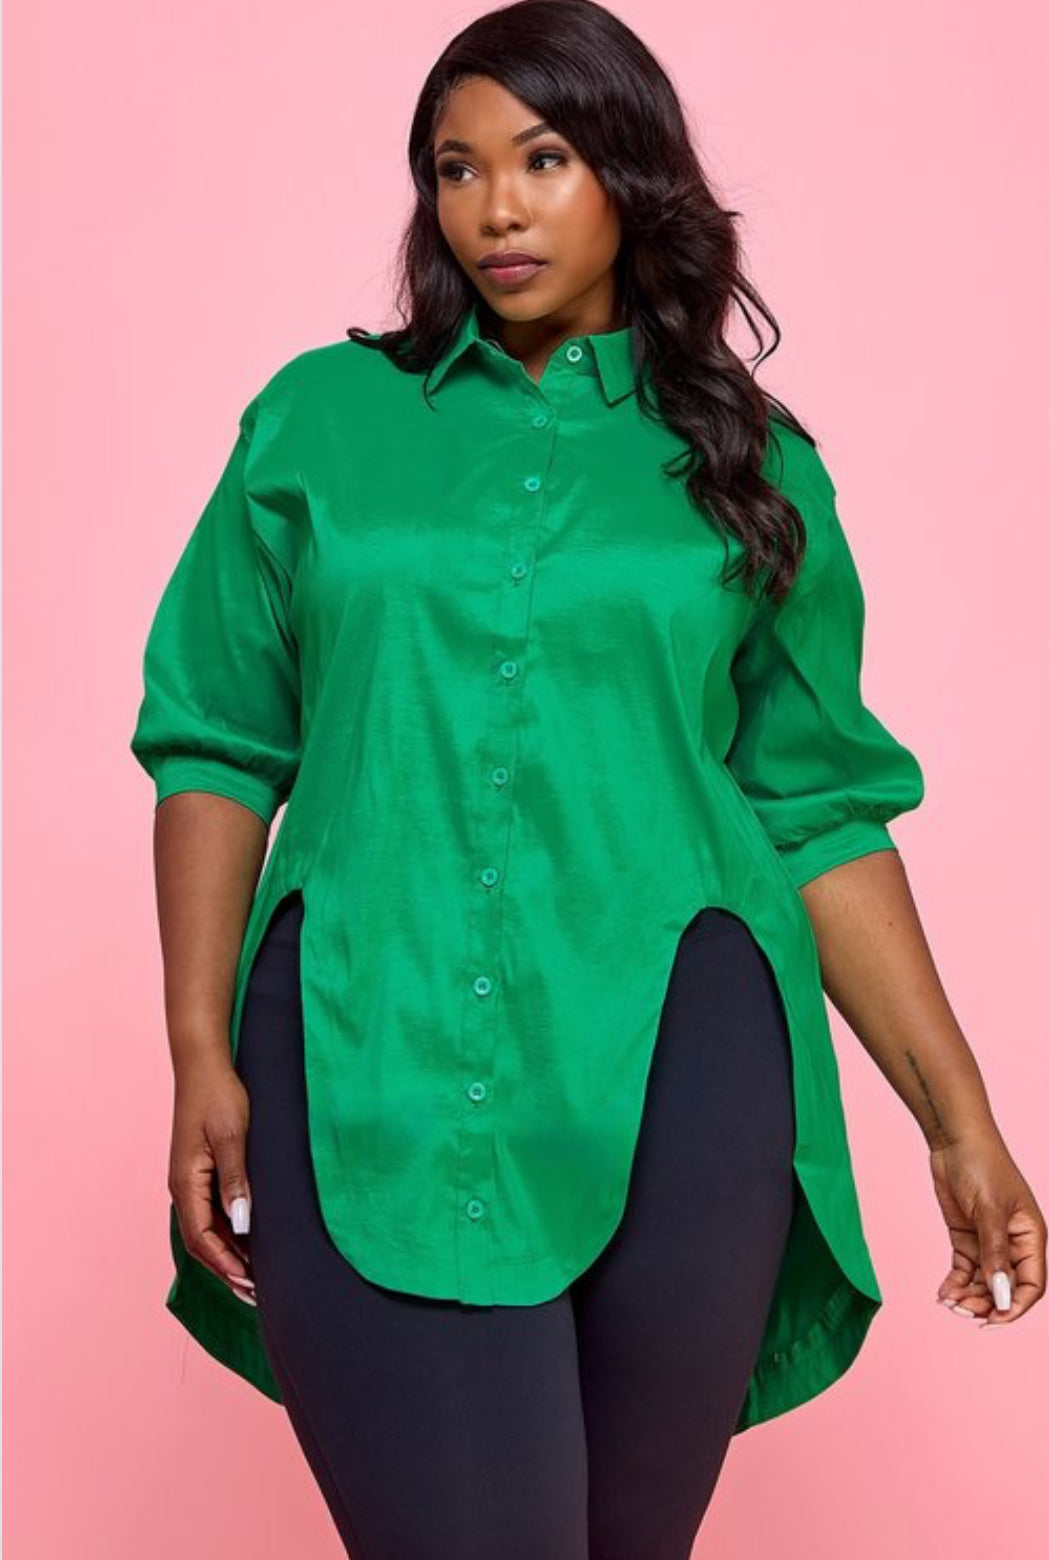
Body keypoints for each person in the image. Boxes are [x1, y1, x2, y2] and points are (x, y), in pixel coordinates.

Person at [129, 2, 1046, 1555]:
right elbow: (216, 737)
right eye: (455, 168)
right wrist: (194, 1049)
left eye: (542, 159)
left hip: (684, 1059)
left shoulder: (750, 464)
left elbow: (815, 809)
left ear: (629, 172)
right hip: (367, 1041)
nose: (494, 208)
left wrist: (955, 1118)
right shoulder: (318, 424)